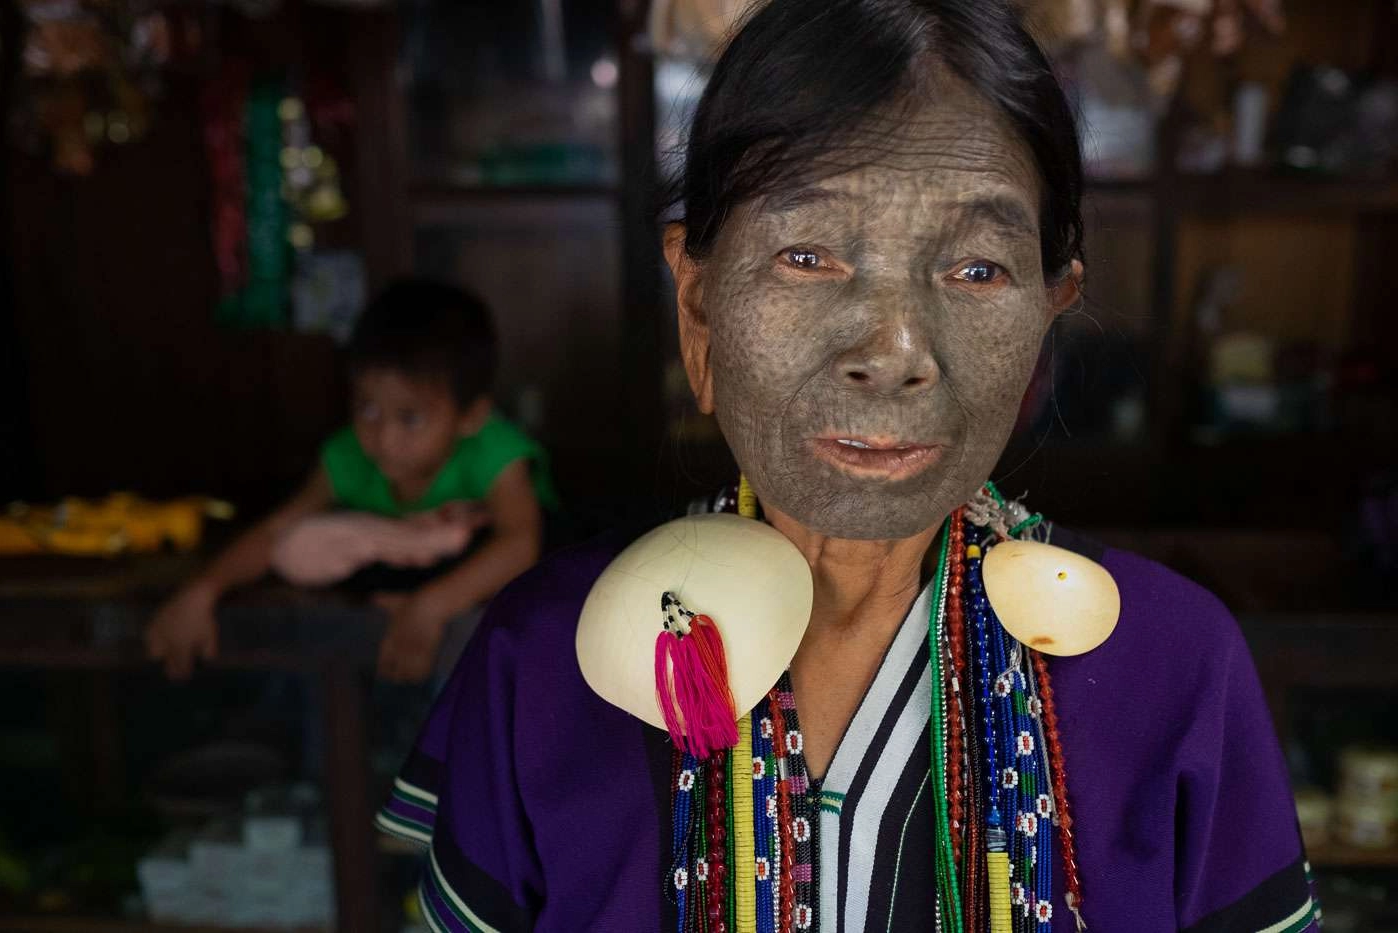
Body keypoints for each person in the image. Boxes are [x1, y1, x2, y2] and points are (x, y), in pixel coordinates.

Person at [373, 2, 1319, 931]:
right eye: (808, 254)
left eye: (978, 268)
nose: (895, 348)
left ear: (1047, 313)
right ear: (697, 308)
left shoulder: (1173, 666)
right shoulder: (543, 660)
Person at [146, 279, 554, 684]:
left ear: (470, 417)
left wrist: (429, 608)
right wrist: (202, 591)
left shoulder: (496, 452)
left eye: (410, 418)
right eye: (367, 409)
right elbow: (276, 532)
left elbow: (520, 543)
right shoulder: (347, 457)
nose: (384, 438)